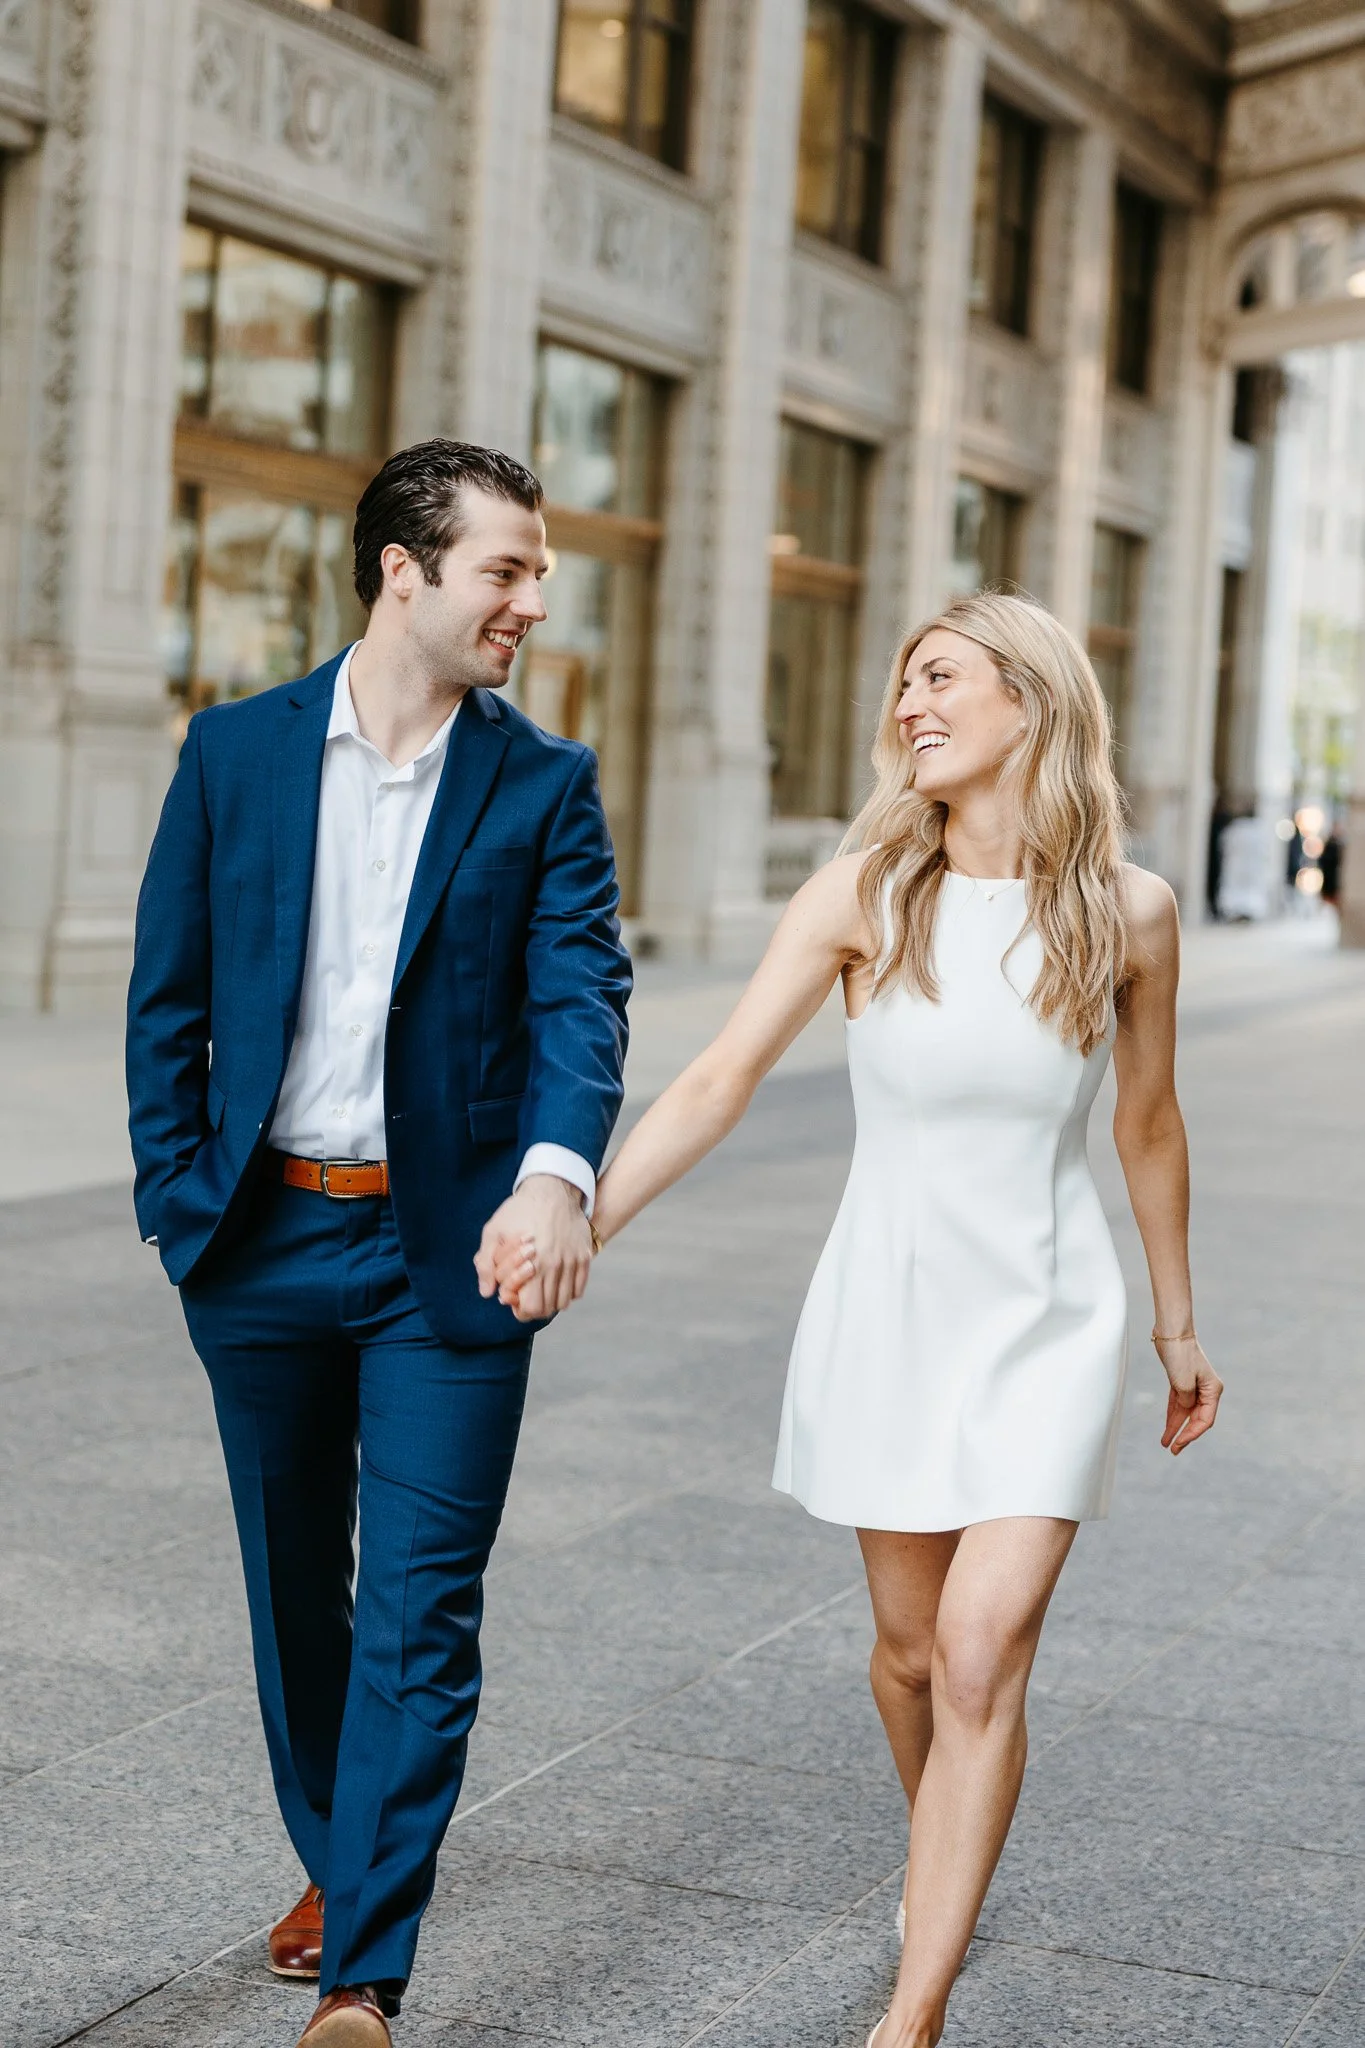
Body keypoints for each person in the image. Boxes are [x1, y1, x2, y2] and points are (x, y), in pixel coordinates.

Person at [493, 590, 1223, 2048]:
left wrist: (1176, 1324)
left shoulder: (1130, 911)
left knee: (977, 1654)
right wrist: (584, 1214)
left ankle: (914, 2009)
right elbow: (714, 1083)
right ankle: (945, 1842)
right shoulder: (863, 896)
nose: (910, 706)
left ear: (1029, 697)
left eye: (941, 677)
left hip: (1049, 1315)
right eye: (904, 685)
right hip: (890, 1310)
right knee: (906, 1656)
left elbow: (1147, 1126)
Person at [126, 440, 631, 2047]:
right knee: (298, 1598)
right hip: (260, 1240)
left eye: (539, 572)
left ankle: (366, 1971)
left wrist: (556, 1175)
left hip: (453, 1262)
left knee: (423, 1602)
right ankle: (344, 1858)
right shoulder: (235, 754)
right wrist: (174, 1207)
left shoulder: (544, 783)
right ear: (404, 572)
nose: (533, 602)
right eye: (507, 570)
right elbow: (171, 1002)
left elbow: (583, 998)